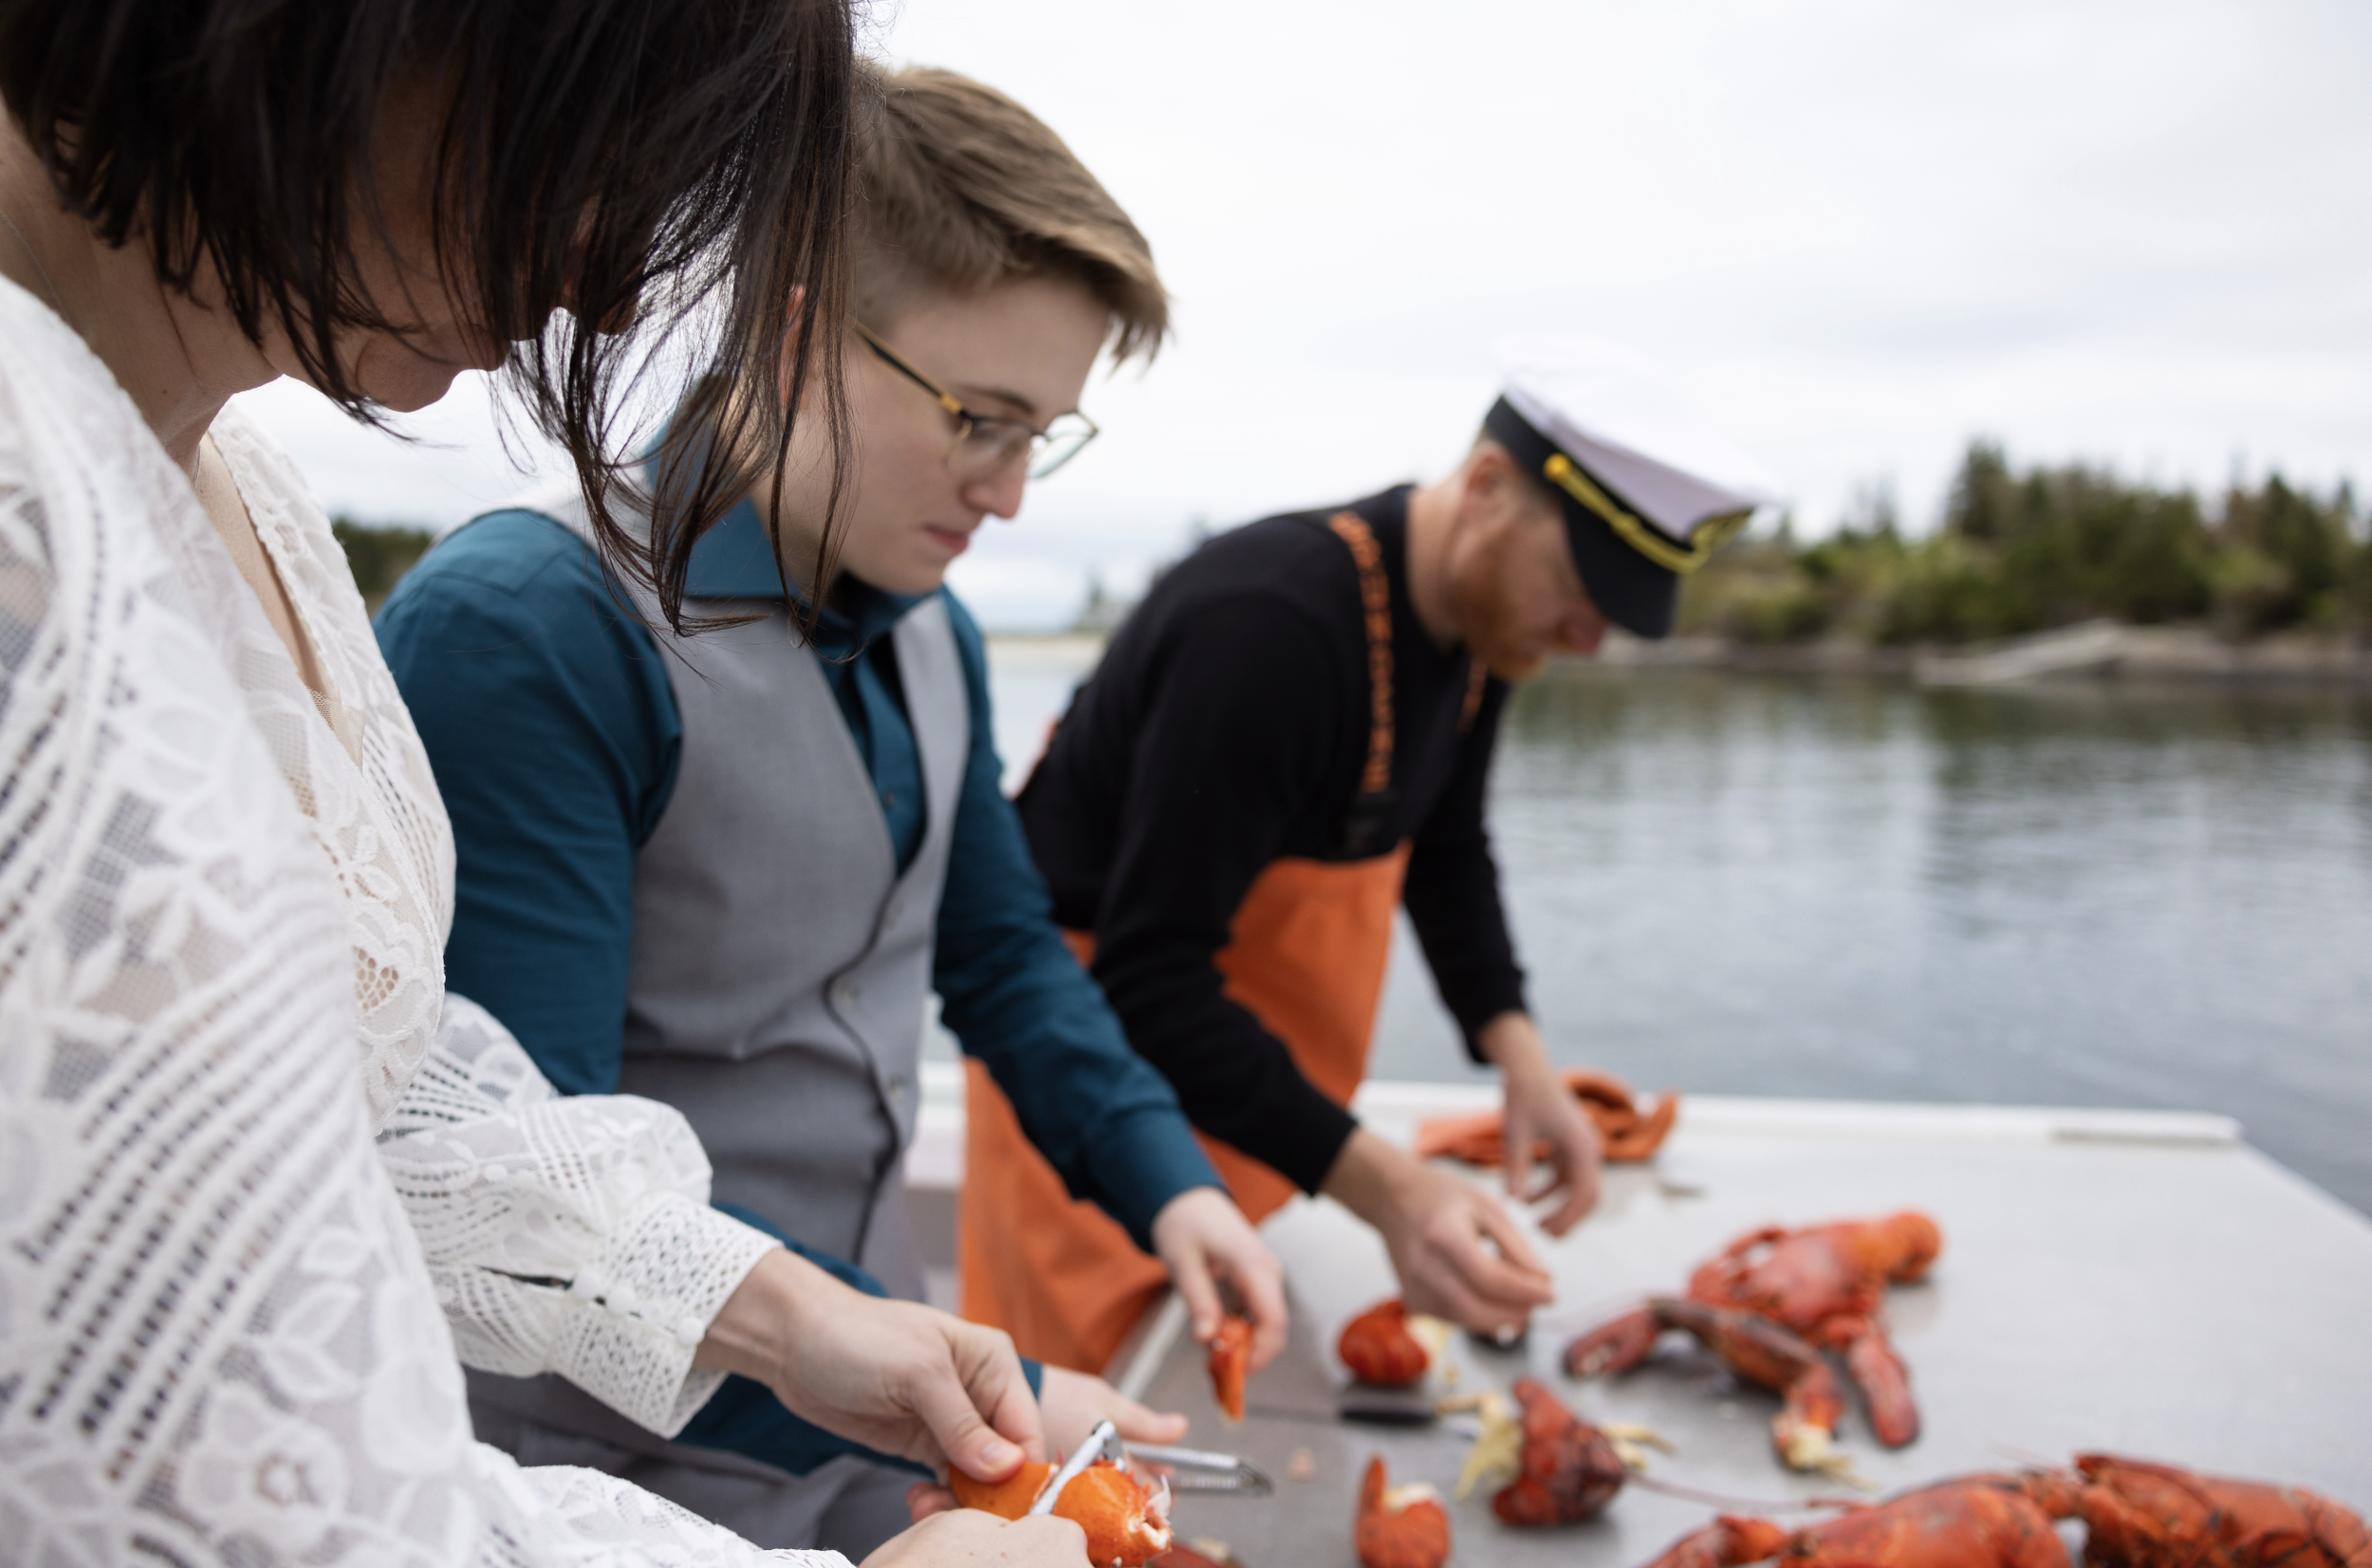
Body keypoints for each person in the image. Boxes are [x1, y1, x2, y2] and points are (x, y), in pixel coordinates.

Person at [0, 2, 1088, 1563]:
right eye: (593, 141)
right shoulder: (495, 610)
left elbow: (361, 1091)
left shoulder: (261, 507)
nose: (603, 273)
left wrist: (776, 1310)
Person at [375, 64, 1286, 1556]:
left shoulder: (941, 634)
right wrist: (1012, 1396)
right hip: (596, 1489)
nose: (1008, 498)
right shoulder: (530, 628)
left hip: (887, 1439)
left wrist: (1169, 1185)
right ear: (795, 330)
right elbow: (513, 1185)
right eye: (980, 418)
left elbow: (997, 960)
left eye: (1043, 434)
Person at [964, 340, 1779, 1374]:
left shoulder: (1486, 624)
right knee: (1097, 1415)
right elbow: (1149, 976)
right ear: (1487, 486)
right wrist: (1390, 1192)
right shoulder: (1267, 630)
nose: (1588, 639)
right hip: (1096, 1085)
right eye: (1583, 586)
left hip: (1249, 1100)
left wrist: (1520, 1058)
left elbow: (1444, 843)